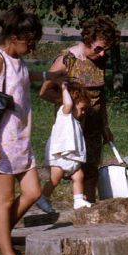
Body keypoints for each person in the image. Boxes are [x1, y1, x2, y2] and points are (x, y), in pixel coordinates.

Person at [0, 5, 64, 255]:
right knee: (6, 199)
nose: (32, 48)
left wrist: (49, 76)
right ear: (14, 38)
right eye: (30, 42)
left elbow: (21, 78)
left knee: (33, 192)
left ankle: (1, 236)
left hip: (19, 138)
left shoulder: (17, 60)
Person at [40, 16, 119, 202]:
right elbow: (44, 92)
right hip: (71, 126)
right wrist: (68, 104)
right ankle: (49, 199)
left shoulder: (100, 61)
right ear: (87, 40)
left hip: (93, 125)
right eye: (98, 48)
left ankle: (89, 211)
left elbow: (102, 96)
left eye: (105, 50)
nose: (101, 53)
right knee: (70, 170)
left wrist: (105, 126)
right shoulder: (66, 60)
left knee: (91, 169)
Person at [35, 81, 93, 213]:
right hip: (60, 155)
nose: (83, 112)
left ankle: (78, 200)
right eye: (82, 109)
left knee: (79, 176)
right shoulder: (64, 113)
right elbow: (68, 103)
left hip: (71, 156)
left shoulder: (76, 121)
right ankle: (43, 197)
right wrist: (64, 88)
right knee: (55, 178)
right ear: (72, 104)